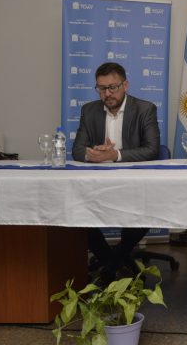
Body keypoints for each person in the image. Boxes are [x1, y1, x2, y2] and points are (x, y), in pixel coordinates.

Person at [72, 62, 160, 279]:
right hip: (98, 185)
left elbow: (152, 150)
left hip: (134, 183)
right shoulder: (89, 110)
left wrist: (115, 155)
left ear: (125, 85)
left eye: (113, 87)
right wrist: (93, 154)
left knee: (150, 207)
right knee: (75, 210)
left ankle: (112, 262)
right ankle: (113, 263)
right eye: (102, 88)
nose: (107, 94)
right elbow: (77, 150)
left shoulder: (145, 109)